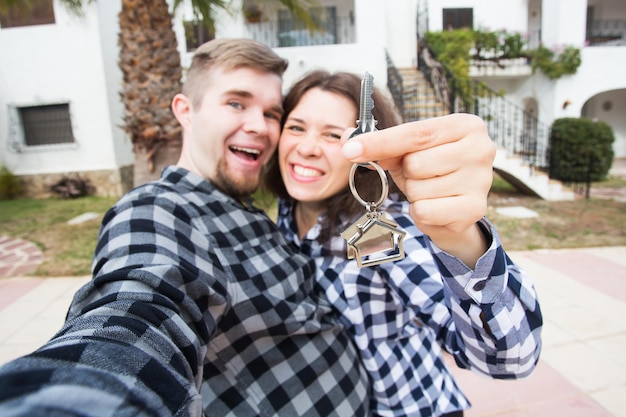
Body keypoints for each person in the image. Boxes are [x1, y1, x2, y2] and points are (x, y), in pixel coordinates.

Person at [263, 70, 543, 416]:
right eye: (296, 127)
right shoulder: (287, 209)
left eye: (334, 135)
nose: (306, 148)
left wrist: (461, 239)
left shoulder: (377, 230)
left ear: (362, 150)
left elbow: (509, 359)